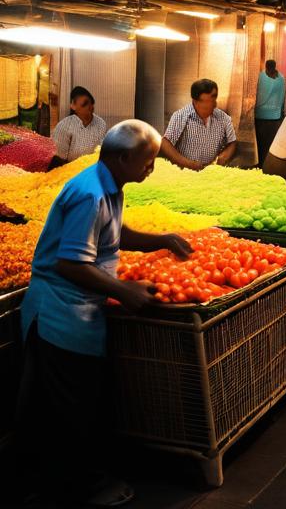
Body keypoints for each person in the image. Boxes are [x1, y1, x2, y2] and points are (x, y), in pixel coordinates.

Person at [17, 120, 192, 507]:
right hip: (59, 315)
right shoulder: (89, 194)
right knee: (70, 409)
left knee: (76, 402)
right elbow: (70, 265)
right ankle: (76, 489)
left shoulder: (109, 185)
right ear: (125, 158)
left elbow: (115, 235)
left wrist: (158, 241)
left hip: (81, 312)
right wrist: (121, 289)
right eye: (148, 161)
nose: (152, 168)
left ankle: (66, 482)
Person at [161, 79, 237, 170]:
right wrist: (188, 164)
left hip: (211, 172)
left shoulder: (223, 118)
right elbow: (165, 144)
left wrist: (224, 157)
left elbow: (232, 142)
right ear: (195, 102)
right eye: (207, 103)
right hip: (184, 172)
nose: (214, 105)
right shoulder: (181, 116)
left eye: (214, 101)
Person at [51, 86, 108, 165]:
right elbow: (58, 159)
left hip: (93, 171)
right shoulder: (64, 126)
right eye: (84, 104)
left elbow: (102, 153)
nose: (90, 107)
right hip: (69, 172)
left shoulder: (101, 124)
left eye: (91, 103)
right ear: (73, 106)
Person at [254, 59, 286, 167]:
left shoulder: (264, 77)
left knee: (267, 144)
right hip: (268, 115)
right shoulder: (279, 78)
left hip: (268, 116)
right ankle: (263, 164)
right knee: (264, 144)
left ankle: (265, 165)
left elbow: (260, 95)